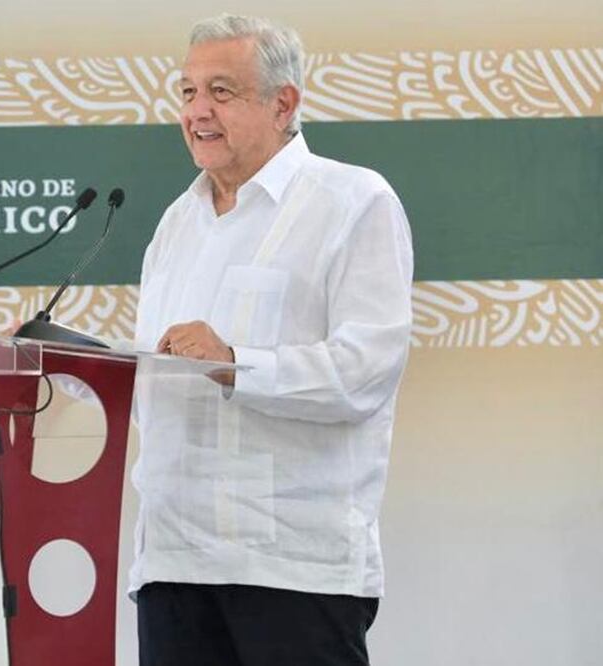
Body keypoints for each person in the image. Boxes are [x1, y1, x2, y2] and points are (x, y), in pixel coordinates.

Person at [130, 14, 414, 666]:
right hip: (174, 561)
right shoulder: (176, 224)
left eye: (220, 92)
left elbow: (364, 372)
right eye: (187, 92)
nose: (197, 111)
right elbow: (157, 386)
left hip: (293, 564)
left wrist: (236, 364)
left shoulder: (352, 201)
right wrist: (66, 365)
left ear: (283, 104)